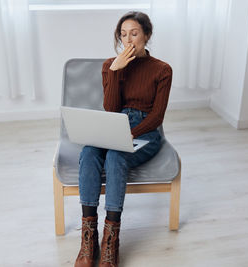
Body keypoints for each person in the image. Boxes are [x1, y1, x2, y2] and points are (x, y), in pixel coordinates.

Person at [74, 11, 173, 267]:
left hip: (145, 131)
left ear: (147, 35)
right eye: (123, 34)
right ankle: (88, 237)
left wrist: (132, 133)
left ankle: (111, 240)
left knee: (117, 155)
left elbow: (157, 117)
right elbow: (111, 108)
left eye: (135, 33)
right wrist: (116, 71)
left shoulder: (162, 70)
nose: (128, 39)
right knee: (88, 152)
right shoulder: (110, 64)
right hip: (115, 124)